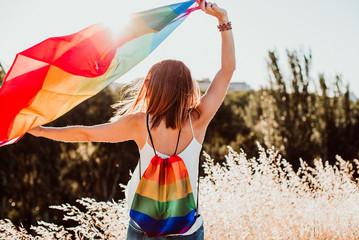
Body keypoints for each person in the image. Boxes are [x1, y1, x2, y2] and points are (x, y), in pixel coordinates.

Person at [28, 1, 235, 239]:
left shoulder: (139, 124)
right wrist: (223, 19)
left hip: (142, 229)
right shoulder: (197, 121)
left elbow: (86, 133)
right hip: (186, 231)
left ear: (152, 87)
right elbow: (228, 69)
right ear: (187, 88)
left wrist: (43, 131)